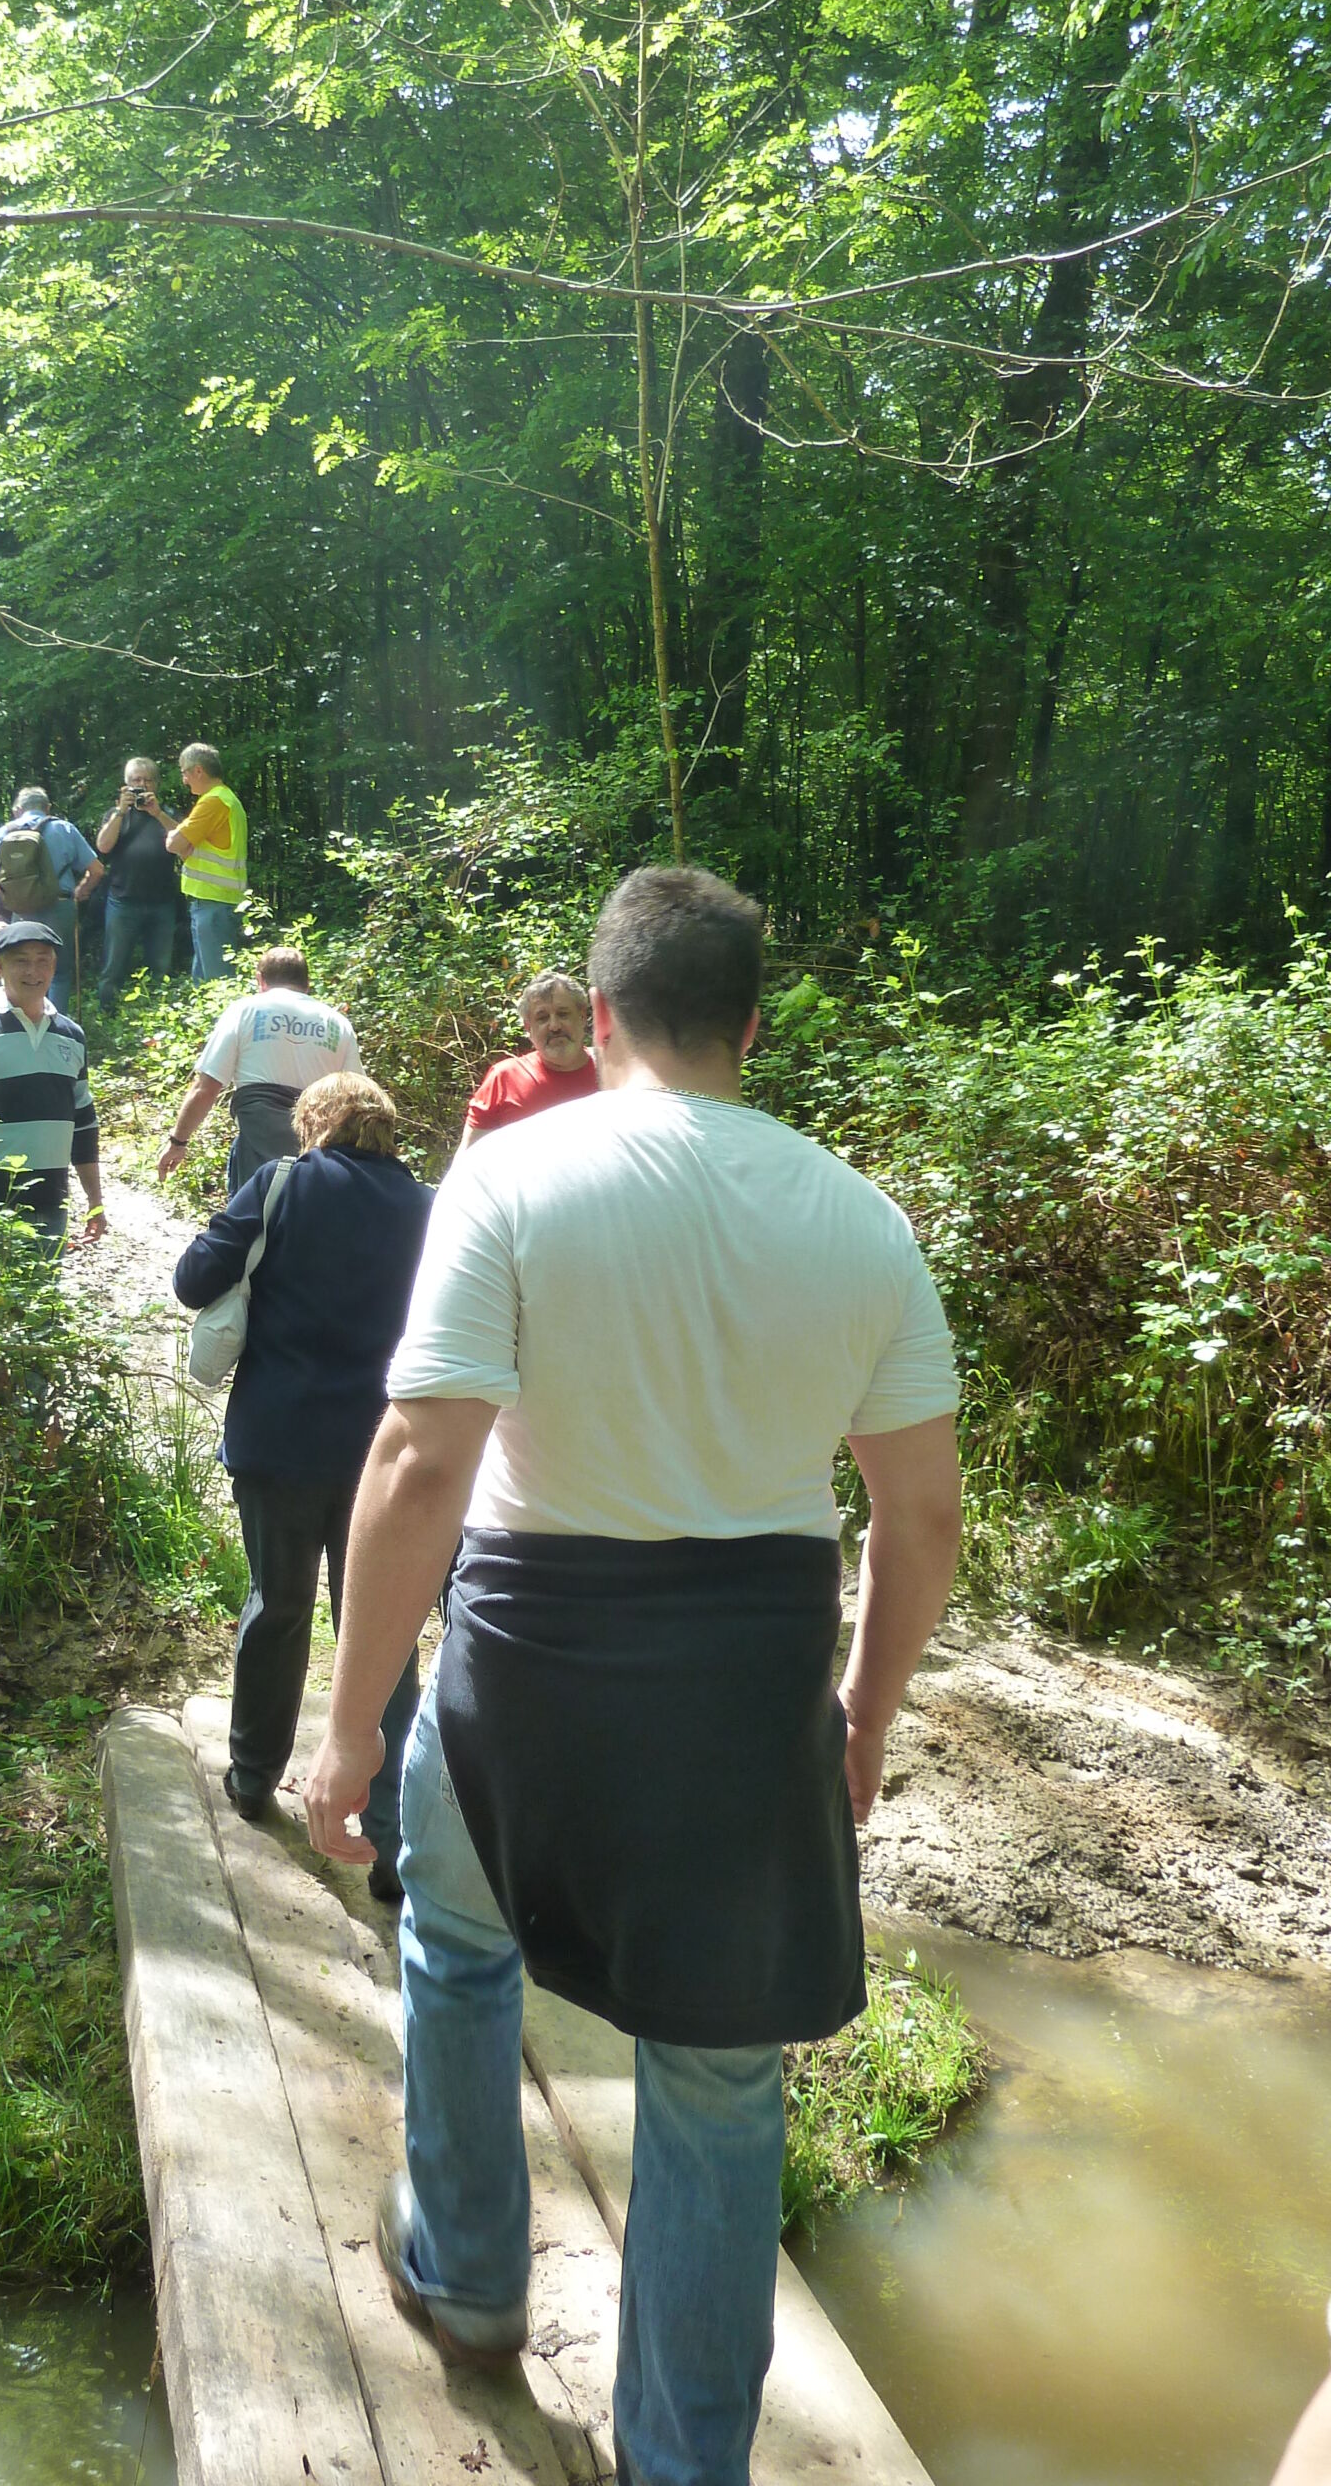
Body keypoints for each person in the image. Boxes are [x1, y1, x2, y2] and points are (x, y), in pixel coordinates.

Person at [302, 866, 963, 2486]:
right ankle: (683, 2461)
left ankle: (467, 2280)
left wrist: (349, 1725)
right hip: (748, 1686)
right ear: (753, 1026)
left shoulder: (514, 1177)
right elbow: (922, 1513)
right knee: (722, 2078)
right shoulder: (861, 1220)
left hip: (524, 1663)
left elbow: (421, 1461)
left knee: (460, 1953)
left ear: (595, 1018)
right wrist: (863, 1720)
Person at [172, 1072, 433, 1900]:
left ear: (313, 1123)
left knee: (276, 1607)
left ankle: (253, 1778)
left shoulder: (279, 1185)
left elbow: (192, 1280)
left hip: (278, 1441)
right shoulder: (430, 1209)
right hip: (384, 1455)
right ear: (388, 1128)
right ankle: (392, 1843)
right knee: (381, 1637)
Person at [0, 919, 106, 1258]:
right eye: (21, 961)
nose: (33, 971)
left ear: (54, 966)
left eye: (43, 960)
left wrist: (95, 1202)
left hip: (53, 1204)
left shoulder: (71, 1037)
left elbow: (84, 1124)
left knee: (46, 1291)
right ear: (0, 967)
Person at [156, 947, 361, 1196]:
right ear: (307, 983)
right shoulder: (337, 1023)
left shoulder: (244, 1011)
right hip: (317, 1151)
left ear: (260, 980)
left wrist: (178, 1142)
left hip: (258, 1146)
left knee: (251, 1216)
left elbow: (205, 1089)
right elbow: (357, 1098)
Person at [0, 784, 105, 1017]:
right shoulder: (64, 828)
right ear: (47, 808)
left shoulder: (6, 832)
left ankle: (23, 1020)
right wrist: (81, 890)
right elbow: (97, 870)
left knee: (21, 966)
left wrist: (0, 908)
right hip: (60, 907)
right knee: (59, 971)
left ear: (17, 810)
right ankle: (55, 1023)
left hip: (21, 911)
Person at [460, 970, 596, 1147]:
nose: (554, 1026)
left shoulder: (614, 1070)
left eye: (563, 1014)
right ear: (528, 1027)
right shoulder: (504, 1079)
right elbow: (468, 1156)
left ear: (582, 1017)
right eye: (542, 1018)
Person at [95, 756, 182, 1012]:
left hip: (162, 902)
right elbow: (103, 847)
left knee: (160, 967)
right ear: (126, 784)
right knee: (114, 965)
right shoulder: (116, 814)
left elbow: (185, 843)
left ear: (157, 784)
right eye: (136, 780)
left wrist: (158, 813)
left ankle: (157, 1016)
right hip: (123, 901)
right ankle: (107, 1015)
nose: (142, 785)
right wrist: (121, 812)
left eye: (147, 780)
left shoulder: (168, 813)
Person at [163, 742, 246, 980]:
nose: (184, 780)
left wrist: (177, 839)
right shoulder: (224, 799)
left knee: (218, 982)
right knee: (204, 981)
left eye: (184, 773)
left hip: (214, 902)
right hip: (215, 901)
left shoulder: (214, 801)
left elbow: (174, 844)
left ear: (198, 770)